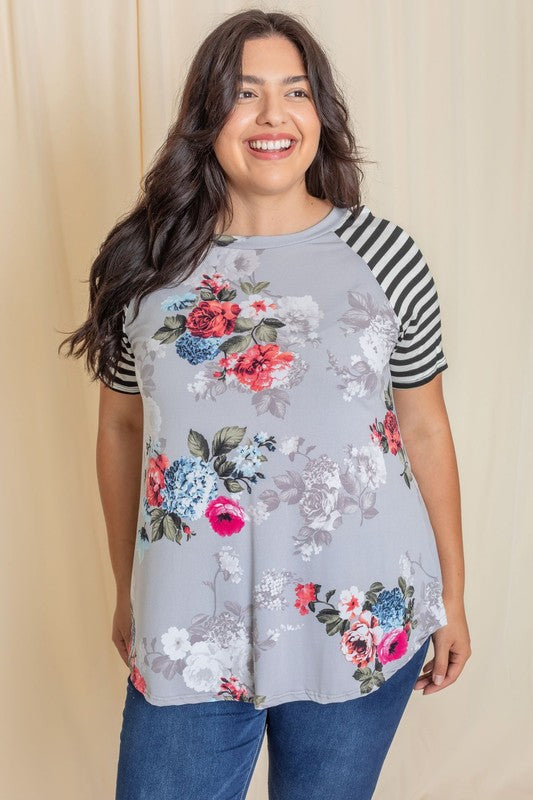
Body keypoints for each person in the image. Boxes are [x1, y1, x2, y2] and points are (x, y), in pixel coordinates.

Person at [59, 8, 471, 799]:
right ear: (207, 116)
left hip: (360, 615)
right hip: (190, 623)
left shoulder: (386, 255)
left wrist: (452, 598)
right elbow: (119, 425)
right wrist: (128, 590)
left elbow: (422, 421)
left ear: (320, 113)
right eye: (245, 94)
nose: (273, 115)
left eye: (295, 92)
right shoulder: (144, 261)